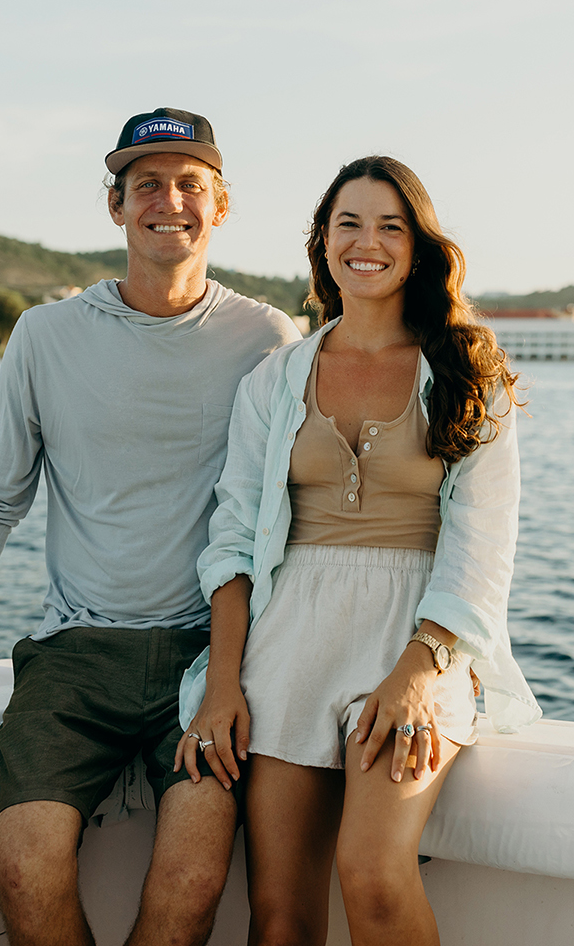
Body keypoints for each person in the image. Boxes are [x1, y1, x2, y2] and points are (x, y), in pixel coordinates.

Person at [0, 107, 300, 946]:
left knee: (193, 879)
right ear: (115, 206)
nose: (170, 202)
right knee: (23, 862)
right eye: (146, 185)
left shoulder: (266, 339)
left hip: (211, 661)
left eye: (190, 185)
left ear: (221, 206)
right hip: (75, 655)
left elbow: (293, 516)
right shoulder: (46, 335)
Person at [176, 156, 541, 945]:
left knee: (374, 875)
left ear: (418, 246)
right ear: (323, 242)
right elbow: (233, 543)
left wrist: (419, 674)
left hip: (416, 643)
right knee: (278, 918)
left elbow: (484, 544)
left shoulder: (467, 373)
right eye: (349, 223)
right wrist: (223, 686)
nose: (366, 241)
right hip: (287, 645)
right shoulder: (274, 381)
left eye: (390, 225)